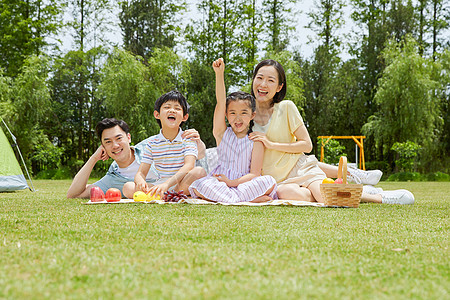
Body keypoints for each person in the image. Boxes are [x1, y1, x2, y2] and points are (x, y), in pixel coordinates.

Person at [247, 59, 414, 204]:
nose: (263, 84)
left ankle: (379, 197)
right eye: (259, 78)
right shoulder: (244, 116)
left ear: (279, 87)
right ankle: (355, 188)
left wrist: (271, 144)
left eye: (270, 80)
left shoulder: (286, 107)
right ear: (253, 80)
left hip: (302, 169)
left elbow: (307, 145)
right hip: (277, 180)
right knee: (289, 194)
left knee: (326, 197)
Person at [188, 58, 277, 203]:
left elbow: (254, 174)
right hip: (220, 182)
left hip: (243, 184)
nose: (238, 118)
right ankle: (246, 200)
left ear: (252, 115)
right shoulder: (221, 133)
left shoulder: (256, 141)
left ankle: (232, 199)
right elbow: (220, 102)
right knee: (201, 185)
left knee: (268, 181)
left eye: (243, 113)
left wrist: (232, 183)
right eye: (233, 113)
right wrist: (219, 74)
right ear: (226, 114)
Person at [66, 118, 205, 199]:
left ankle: (174, 194)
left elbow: (200, 155)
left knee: (198, 172)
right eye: (108, 142)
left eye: (118, 138)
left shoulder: (150, 145)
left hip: (183, 181)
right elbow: (73, 194)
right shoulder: (113, 177)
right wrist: (94, 158)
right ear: (103, 146)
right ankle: (171, 196)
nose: (115, 145)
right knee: (129, 187)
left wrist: (197, 141)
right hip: (161, 193)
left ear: (128, 138)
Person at [123, 91, 206, 199]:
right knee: (127, 187)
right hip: (160, 184)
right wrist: (140, 181)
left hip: (181, 182)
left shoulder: (188, 139)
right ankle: (168, 196)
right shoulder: (152, 143)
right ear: (157, 114)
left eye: (177, 108)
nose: (172, 110)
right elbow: (141, 173)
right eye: (167, 107)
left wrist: (167, 185)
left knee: (199, 171)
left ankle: (171, 194)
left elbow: (189, 166)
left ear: (185, 117)